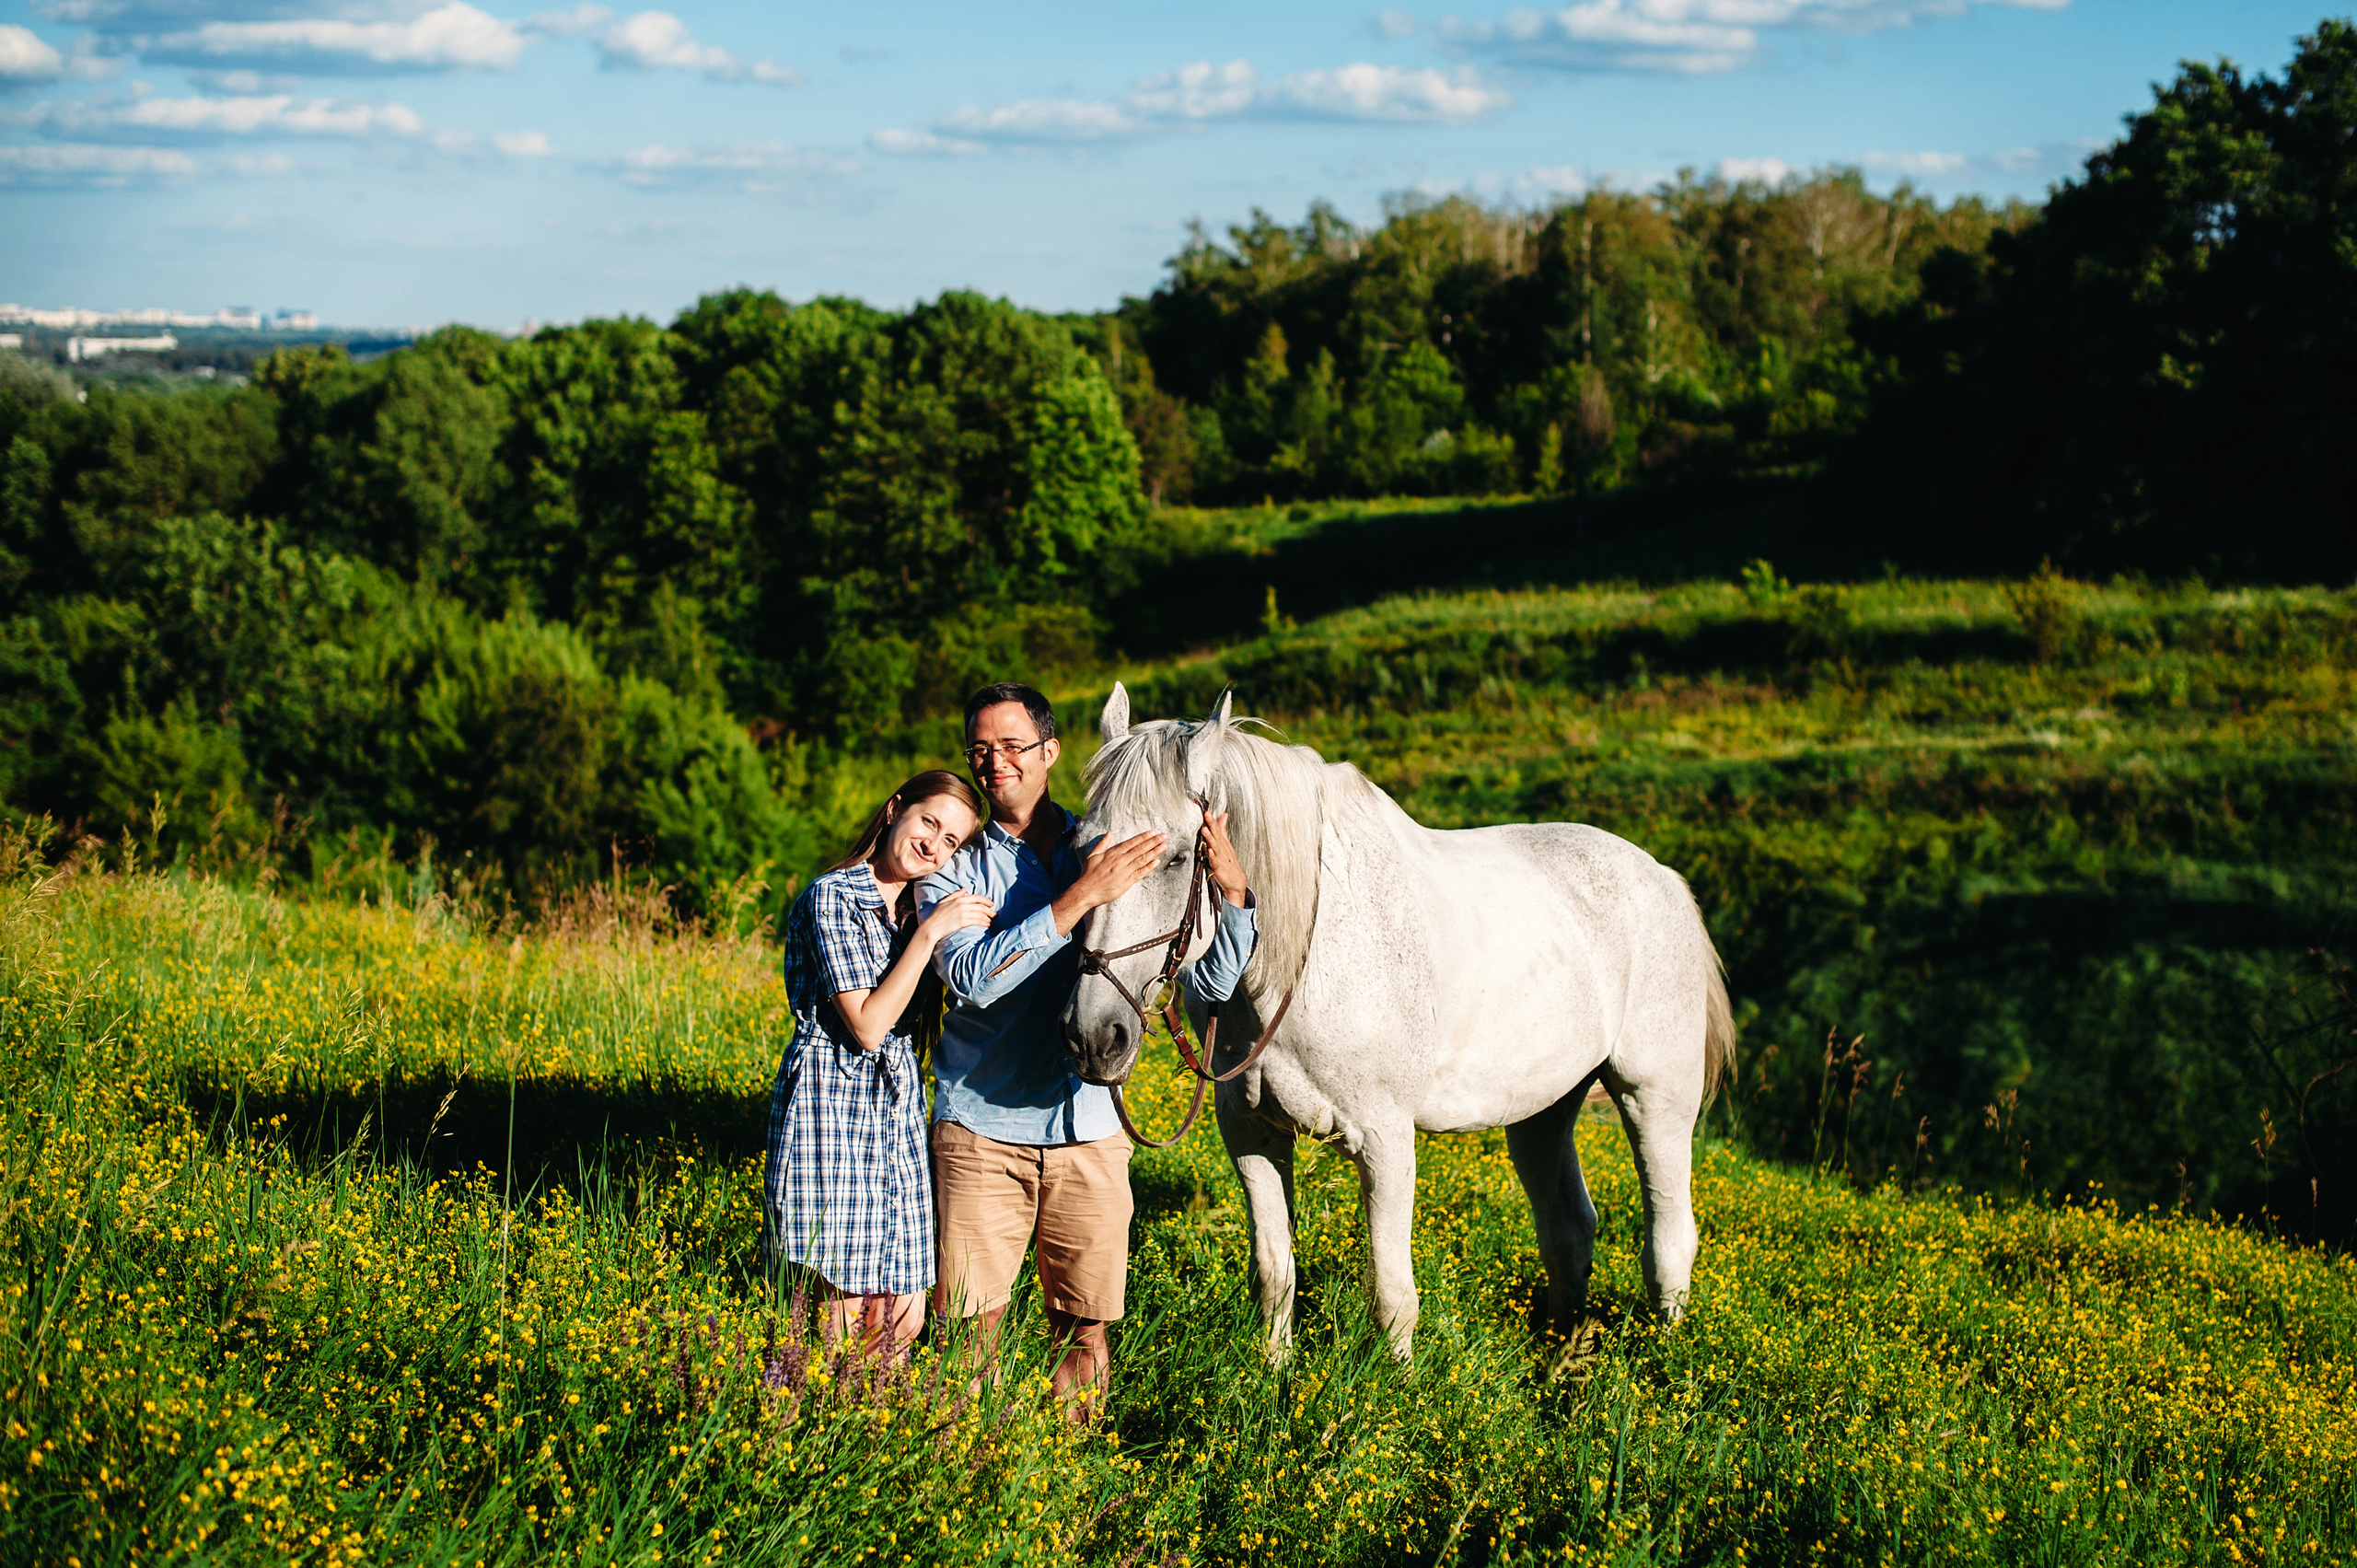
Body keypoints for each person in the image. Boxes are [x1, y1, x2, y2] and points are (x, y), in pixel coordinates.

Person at [921, 682, 1258, 1408]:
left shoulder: (1104, 837)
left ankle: (1069, 1486)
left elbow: (1215, 980)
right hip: (984, 1130)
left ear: (1050, 751)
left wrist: (1232, 891)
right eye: (980, 748)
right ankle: (967, 1483)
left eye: (1013, 745)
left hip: (1090, 1134)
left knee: (1085, 1331)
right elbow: (972, 979)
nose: (995, 762)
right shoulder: (952, 865)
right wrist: (1081, 896)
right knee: (970, 1335)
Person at [762, 770, 994, 1359]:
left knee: (904, 1313)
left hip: (896, 1111)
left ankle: (872, 1433)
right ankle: (824, 1431)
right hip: (833, 1103)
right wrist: (933, 933)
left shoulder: (915, 910)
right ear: (895, 810)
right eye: (928, 823)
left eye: (950, 843)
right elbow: (866, 1025)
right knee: (841, 1312)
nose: (933, 846)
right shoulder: (833, 897)